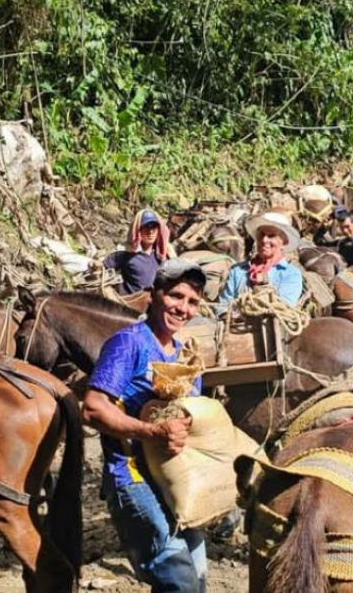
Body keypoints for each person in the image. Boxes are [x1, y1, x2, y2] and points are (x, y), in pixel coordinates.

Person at [84, 259, 209, 593]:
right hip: (134, 478)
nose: (183, 308)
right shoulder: (129, 343)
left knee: (196, 579)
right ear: (153, 295)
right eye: (175, 296)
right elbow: (94, 409)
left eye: (192, 301)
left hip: (175, 480)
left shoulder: (184, 355)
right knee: (181, 584)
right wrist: (153, 432)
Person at [218, 211, 303, 308]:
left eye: (271, 236)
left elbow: (284, 308)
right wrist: (227, 315)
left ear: (284, 243)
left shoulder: (291, 274)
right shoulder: (237, 271)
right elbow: (223, 304)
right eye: (262, 234)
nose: (264, 240)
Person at [101, 209, 171, 294]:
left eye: (154, 227)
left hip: (155, 303)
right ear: (139, 230)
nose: (150, 232)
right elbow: (103, 267)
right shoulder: (126, 252)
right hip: (129, 302)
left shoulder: (163, 254)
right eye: (146, 227)